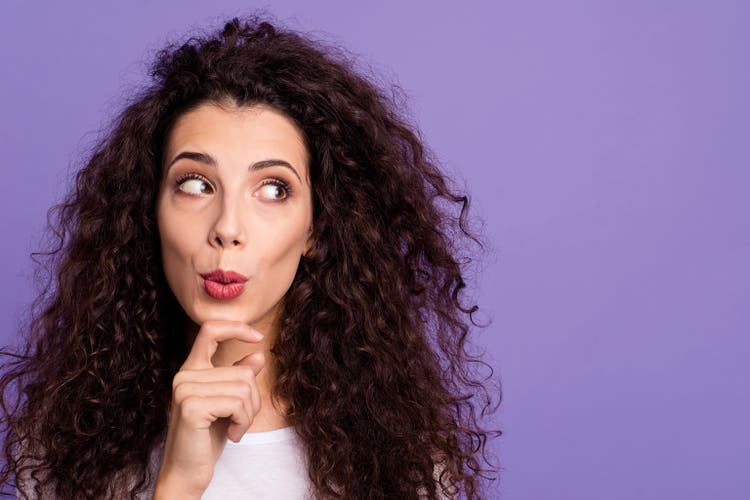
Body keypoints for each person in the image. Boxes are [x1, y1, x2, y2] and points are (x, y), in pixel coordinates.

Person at [0, 13, 502, 499]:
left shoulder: (404, 456)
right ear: (147, 211)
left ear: (317, 229)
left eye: (273, 189)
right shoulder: (61, 449)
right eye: (195, 184)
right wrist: (177, 485)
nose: (227, 229)